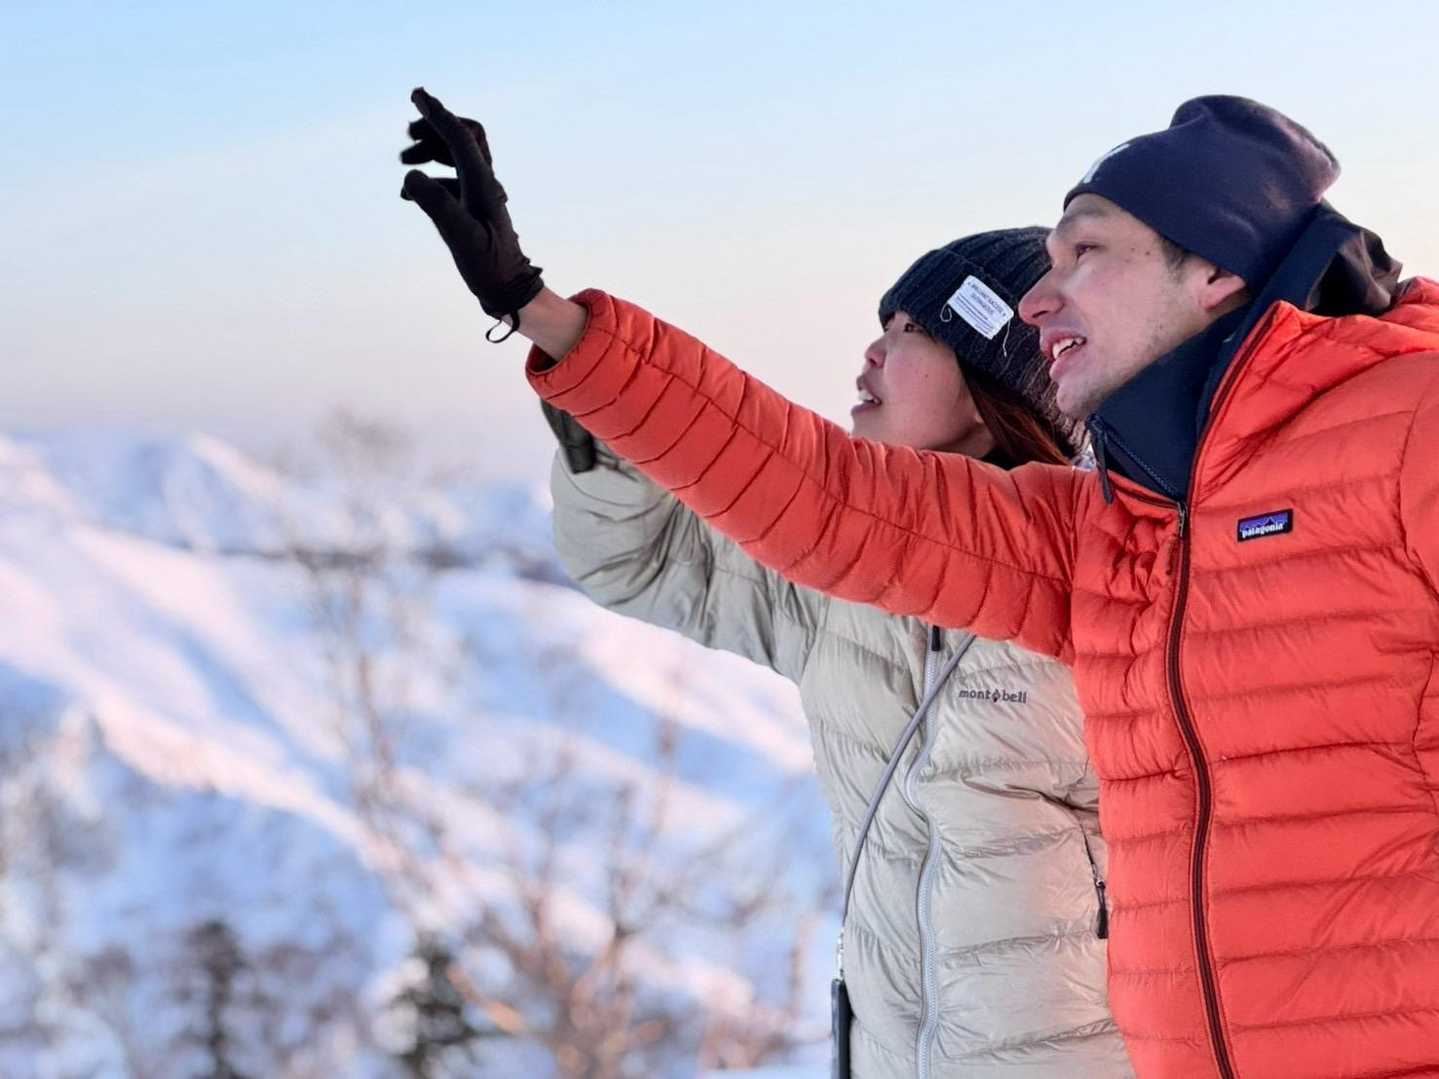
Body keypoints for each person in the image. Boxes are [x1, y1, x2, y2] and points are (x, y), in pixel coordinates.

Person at [400, 90, 1439, 1077]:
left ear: (1210, 268)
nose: (1040, 298)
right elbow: (816, 492)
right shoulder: (1119, 538)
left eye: (1085, 251)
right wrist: (542, 313)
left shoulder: (1408, 423)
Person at [539, 227, 1133, 1076]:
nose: (870, 353)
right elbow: (643, 561)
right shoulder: (835, 584)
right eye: (881, 327)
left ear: (992, 387)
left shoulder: (1112, 573)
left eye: (910, 331)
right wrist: (603, 434)